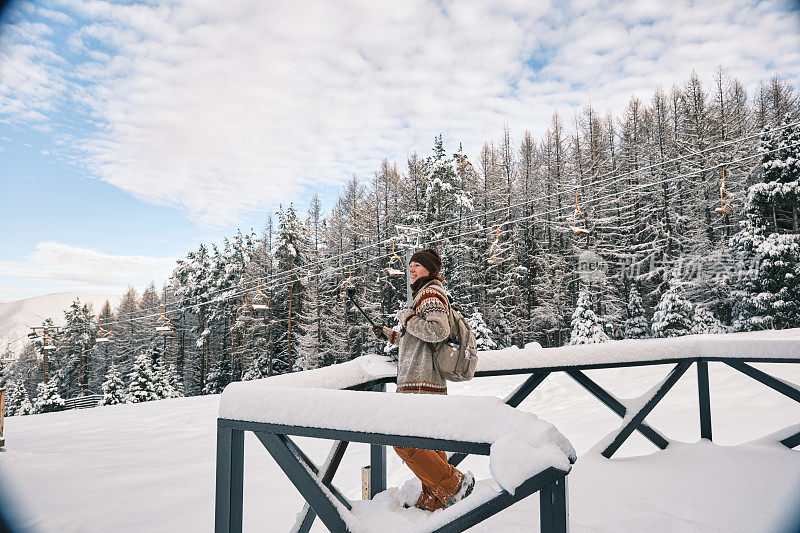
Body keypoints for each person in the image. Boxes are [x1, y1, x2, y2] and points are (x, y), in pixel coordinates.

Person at [373, 248, 475, 511]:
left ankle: (453, 484)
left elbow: (437, 331)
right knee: (427, 442)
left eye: (418, 265)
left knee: (403, 440)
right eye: (410, 265)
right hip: (421, 381)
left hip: (422, 383)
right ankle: (434, 496)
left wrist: (407, 318)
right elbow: (416, 340)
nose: (412, 269)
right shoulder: (424, 293)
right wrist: (389, 334)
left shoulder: (430, 293)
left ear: (431, 270)